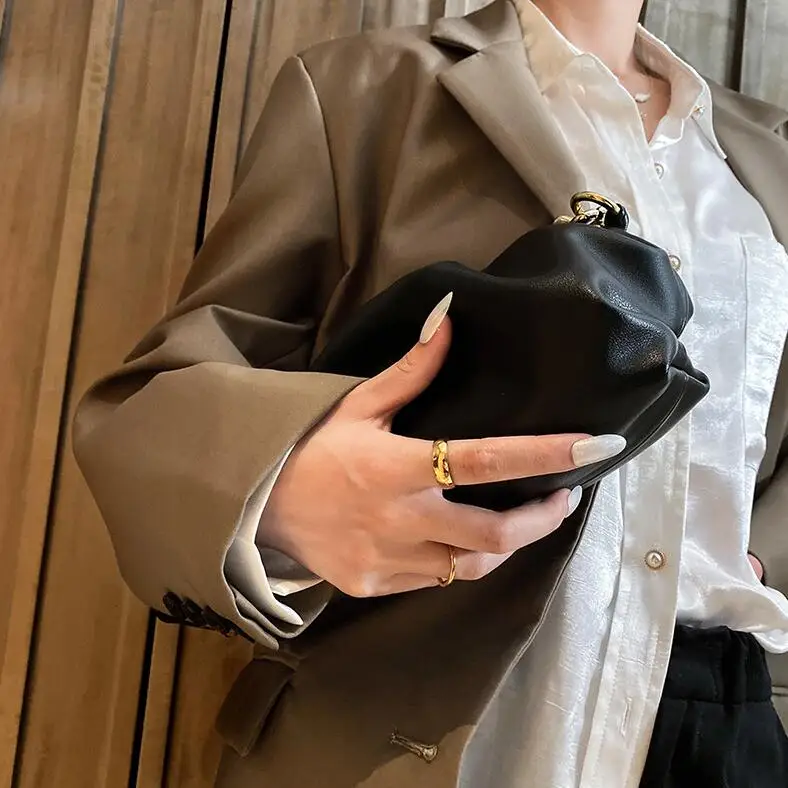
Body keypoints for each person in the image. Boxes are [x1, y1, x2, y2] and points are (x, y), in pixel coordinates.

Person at [73, 0, 788, 785]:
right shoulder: (368, 88)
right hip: (413, 711)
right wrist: (280, 490)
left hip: (720, 725)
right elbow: (159, 401)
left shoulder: (765, 150)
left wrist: (765, 552)